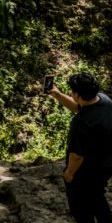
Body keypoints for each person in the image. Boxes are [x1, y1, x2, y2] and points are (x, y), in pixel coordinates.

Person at [48, 72, 112, 223]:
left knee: (80, 207)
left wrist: (69, 174)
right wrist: (57, 94)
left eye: (72, 91)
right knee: (97, 196)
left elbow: (77, 155)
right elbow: (80, 107)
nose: (70, 93)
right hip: (106, 165)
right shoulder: (104, 100)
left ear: (77, 94)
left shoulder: (81, 123)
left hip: (86, 171)